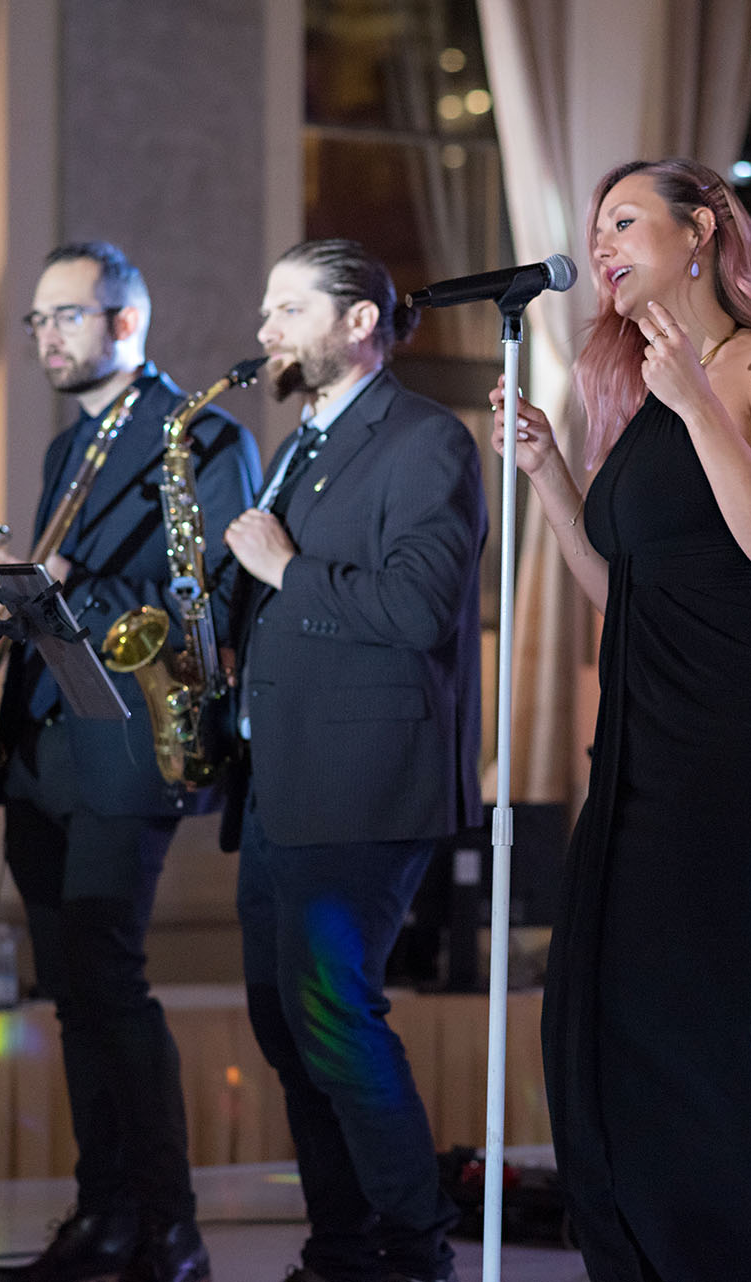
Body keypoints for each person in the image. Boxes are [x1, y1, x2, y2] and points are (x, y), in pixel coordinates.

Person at [490, 158, 751, 1281]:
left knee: (714, 1034)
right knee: (607, 1018)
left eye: (626, 220)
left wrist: (698, 405)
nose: (603, 243)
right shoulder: (639, 394)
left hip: (742, 740)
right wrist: (551, 477)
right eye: (596, 229)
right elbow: (622, 591)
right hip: (645, 732)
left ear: (703, 231)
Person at [0, 241, 261, 1282]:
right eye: (38, 320)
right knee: (74, 992)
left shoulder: (205, 437)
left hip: (127, 746)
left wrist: (63, 583)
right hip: (46, 743)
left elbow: (208, 604)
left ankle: (169, 1226)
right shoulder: (70, 446)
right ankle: (103, 1216)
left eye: (64, 316)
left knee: (110, 979)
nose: (45, 336)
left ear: (125, 322)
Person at [225, 238, 485, 1282]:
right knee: (288, 1031)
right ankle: (340, 1249)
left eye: (288, 308)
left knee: (336, 1021)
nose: (266, 330)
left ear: (359, 322)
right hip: (281, 783)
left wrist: (284, 568)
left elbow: (419, 610)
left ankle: (415, 1252)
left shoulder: (426, 442)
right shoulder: (306, 438)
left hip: (367, 784)